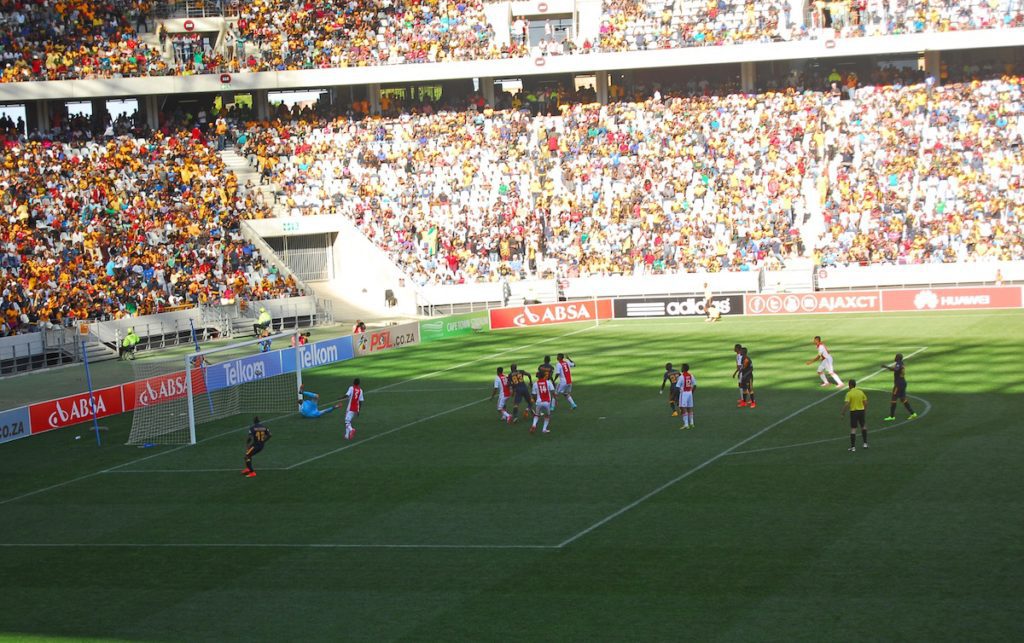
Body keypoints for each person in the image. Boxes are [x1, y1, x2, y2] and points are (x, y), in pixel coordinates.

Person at [881, 353, 918, 422]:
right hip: (902, 382)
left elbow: (896, 369)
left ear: (898, 358)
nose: (894, 358)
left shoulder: (899, 363)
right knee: (902, 399)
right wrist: (888, 368)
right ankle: (913, 413)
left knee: (894, 398)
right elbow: (896, 369)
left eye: (895, 357)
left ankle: (892, 416)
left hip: (899, 384)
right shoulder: (901, 363)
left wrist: (886, 367)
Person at [841, 379, 868, 452]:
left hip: (854, 412)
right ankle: (865, 443)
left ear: (850, 385)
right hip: (861, 411)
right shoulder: (860, 392)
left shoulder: (849, 393)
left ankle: (853, 447)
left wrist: (843, 412)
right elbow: (865, 402)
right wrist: (864, 409)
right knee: (863, 426)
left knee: (853, 429)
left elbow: (847, 404)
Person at [675, 363, 697, 429]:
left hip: (683, 393)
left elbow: (677, 387)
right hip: (690, 393)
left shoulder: (681, 377)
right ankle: (692, 423)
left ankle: (686, 424)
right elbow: (695, 385)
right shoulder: (691, 375)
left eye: (681, 367)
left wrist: (677, 396)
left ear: (683, 369)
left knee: (683, 408)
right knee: (690, 408)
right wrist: (691, 392)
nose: (681, 368)